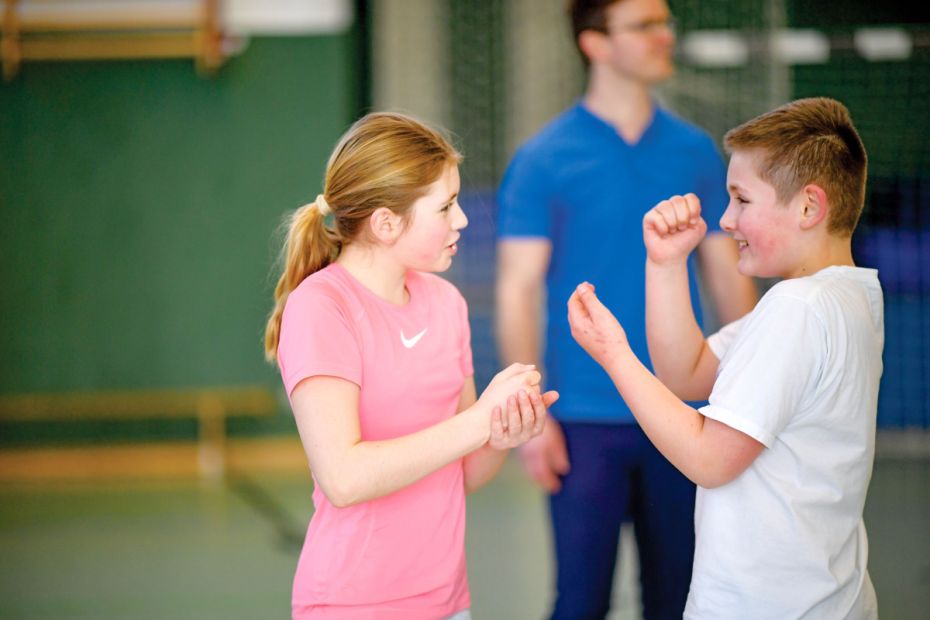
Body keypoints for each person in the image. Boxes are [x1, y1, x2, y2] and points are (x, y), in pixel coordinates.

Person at [568, 97, 881, 618]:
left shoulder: (797, 308)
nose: (726, 219)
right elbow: (686, 372)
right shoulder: (846, 295)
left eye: (741, 200)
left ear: (808, 207)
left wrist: (613, 354)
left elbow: (710, 460)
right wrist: (667, 264)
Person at [495, 0, 757, 617]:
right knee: (580, 601)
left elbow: (729, 279)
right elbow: (517, 289)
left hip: (686, 417)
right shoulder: (544, 158)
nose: (665, 35)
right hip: (584, 419)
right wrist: (531, 418)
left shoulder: (694, 151)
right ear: (595, 42)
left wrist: (739, 395)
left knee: (681, 599)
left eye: (665, 21)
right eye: (644, 25)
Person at [264, 112, 558, 620]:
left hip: (447, 602)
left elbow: (462, 473)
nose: (462, 219)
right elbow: (344, 478)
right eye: (445, 207)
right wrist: (478, 422)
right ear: (385, 223)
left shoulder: (446, 303)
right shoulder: (321, 308)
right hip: (352, 604)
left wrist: (501, 435)